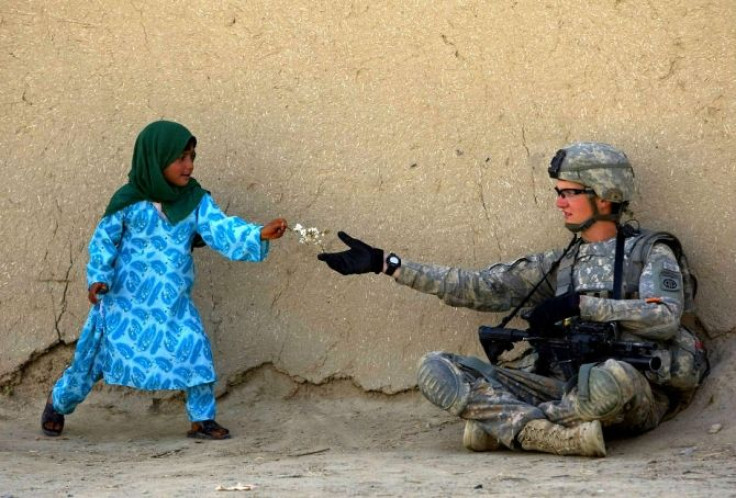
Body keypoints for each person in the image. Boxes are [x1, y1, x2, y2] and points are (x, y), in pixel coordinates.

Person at [317, 142, 708, 457]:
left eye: (569, 193)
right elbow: (480, 286)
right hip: (560, 390)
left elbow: (665, 318)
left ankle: (510, 428)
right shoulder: (561, 264)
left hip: (629, 391)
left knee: (609, 380)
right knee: (436, 369)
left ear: (605, 196)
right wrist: (388, 264)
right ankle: (552, 434)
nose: (559, 202)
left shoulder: (649, 252)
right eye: (559, 193)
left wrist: (582, 306)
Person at [41, 120, 287, 440]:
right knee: (91, 360)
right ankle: (58, 403)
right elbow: (104, 241)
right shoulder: (128, 201)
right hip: (123, 303)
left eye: (192, 157)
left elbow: (222, 229)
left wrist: (257, 234)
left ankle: (202, 418)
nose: (189, 165)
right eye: (180, 158)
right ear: (156, 159)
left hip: (172, 301)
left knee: (194, 347)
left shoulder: (195, 201)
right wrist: (98, 278)